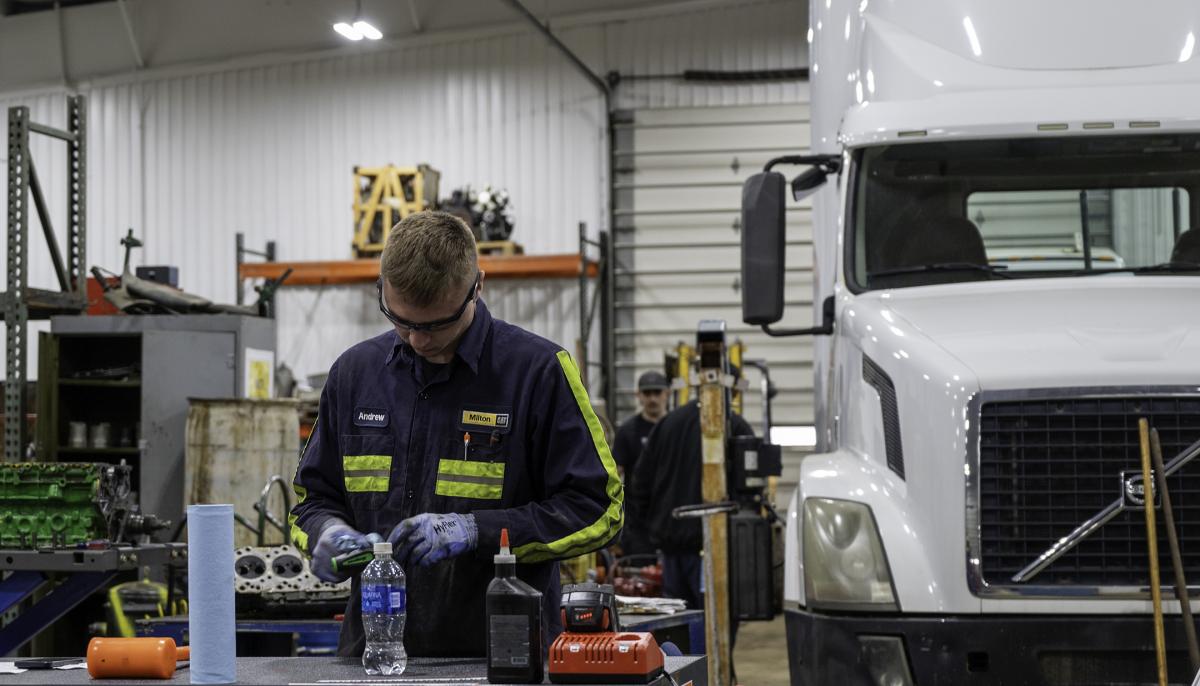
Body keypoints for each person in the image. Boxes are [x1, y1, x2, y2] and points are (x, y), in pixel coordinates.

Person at [289, 211, 623, 657]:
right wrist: (326, 531)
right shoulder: (354, 374)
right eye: (400, 320)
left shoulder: (537, 373)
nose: (416, 341)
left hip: (500, 659)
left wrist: (475, 530)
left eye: (435, 325)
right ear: (381, 288)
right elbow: (312, 501)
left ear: (477, 287)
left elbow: (599, 509)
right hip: (375, 658)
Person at [628, 399, 753, 610]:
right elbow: (750, 488)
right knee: (715, 615)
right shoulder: (734, 425)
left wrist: (650, 527)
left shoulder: (667, 423)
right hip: (713, 548)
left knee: (676, 617)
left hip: (670, 545)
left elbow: (640, 481)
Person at [611, 371, 669, 555]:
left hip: (671, 521)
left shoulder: (674, 429)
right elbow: (614, 476)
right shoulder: (627, 432)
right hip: (638, 524)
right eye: (647, 393)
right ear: (638, 395)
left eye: (657, 393)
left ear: (666, 394)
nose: (652, 399)